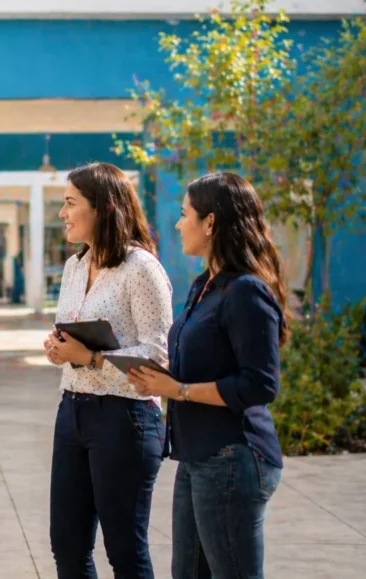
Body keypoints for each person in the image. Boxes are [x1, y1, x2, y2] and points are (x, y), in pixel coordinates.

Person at [128, 172, 287, 579]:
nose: (178, 224)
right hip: (197, 455)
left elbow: (260, 384)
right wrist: (159, 377)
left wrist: (177, 389)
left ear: (211, 223)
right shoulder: (204, 286)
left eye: (184, 215)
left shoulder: (246, 292)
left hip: (233, 456)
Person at [42, 162, 173, 579]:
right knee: (67, 545)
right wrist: (59, 348)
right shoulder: (74, 267)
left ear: (104, 207)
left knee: (124, 551)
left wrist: (92, 359)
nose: (62, 214)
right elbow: (75, 335)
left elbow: (158, 355)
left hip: (126, 419)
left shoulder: (141, 268)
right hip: (73, 411)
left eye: (70, 203)